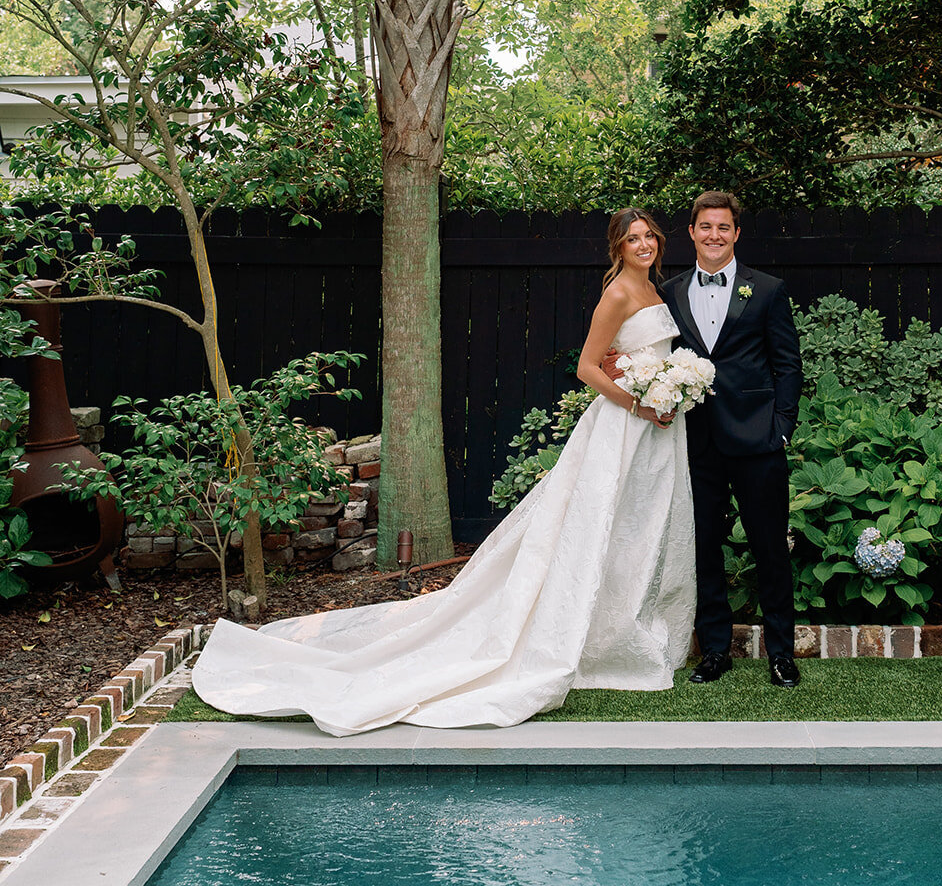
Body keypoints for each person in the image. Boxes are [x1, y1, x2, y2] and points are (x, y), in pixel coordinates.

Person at [189, 208, 694, 735]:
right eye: (632, 239)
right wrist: (639, 403)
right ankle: (577, 639)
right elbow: (588, 367)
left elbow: (639, 356)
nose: (643, 245)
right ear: (617, 247)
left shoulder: (657, 291)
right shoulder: (615, 295)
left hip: (657, 431)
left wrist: (670, 388)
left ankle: (620, 631)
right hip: (624, 424)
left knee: (635, 530)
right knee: (595, 527)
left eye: (649, 236)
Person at [629, 190, 803, 688]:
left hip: (759, 442)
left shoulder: (767, 289)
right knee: (704, 546)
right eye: (705, 226)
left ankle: (781, 654)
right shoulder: (672, 291)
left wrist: (782, 427)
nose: (714, 235)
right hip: (695, 442)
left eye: (723, 227)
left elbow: (788, 364)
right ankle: (716, 651)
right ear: (691, 233)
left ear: (736, 234)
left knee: (770, 547)